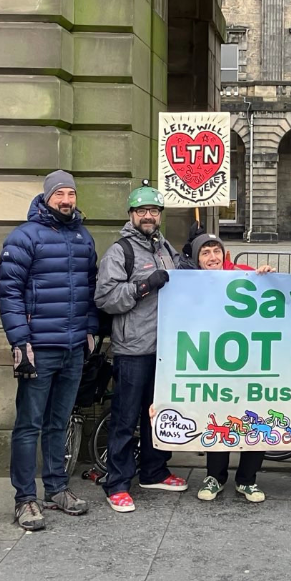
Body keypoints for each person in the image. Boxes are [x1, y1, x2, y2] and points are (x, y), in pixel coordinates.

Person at [0, 170, 98, 530]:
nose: (66, 200)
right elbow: (8, 293)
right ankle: (24, 499)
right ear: (47, 197)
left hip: (73, 348)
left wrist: (90, 329)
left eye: (71, 193)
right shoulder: (24, 238)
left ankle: (56, 488)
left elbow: (90, 287)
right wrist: (19, 342)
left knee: (59, 422)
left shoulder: (83, 237)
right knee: (29, 425)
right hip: (38, 348)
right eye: (60, 194)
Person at [94, 181, 189, 513]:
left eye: (153, 211)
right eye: (142, 211)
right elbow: (105, 298)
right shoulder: (121, 251)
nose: (148, 216)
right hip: (133, 348)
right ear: (131, 214)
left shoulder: (165, 248)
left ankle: (153, 470)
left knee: (156, 414)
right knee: (126, 416)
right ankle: (117, 482)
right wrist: (144, 286)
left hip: (165, 348)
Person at [188, 232, 275, 503]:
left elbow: (271, 294)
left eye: (216, 251)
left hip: (252, 360)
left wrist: (267, 275)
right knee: (218, 417)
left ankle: (247, 479)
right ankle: (215, 476)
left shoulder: (244, 274)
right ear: (197, 259)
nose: (212, 257)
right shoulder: (189, 283)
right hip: (214, 362)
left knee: (254, 415)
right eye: (205, 252)